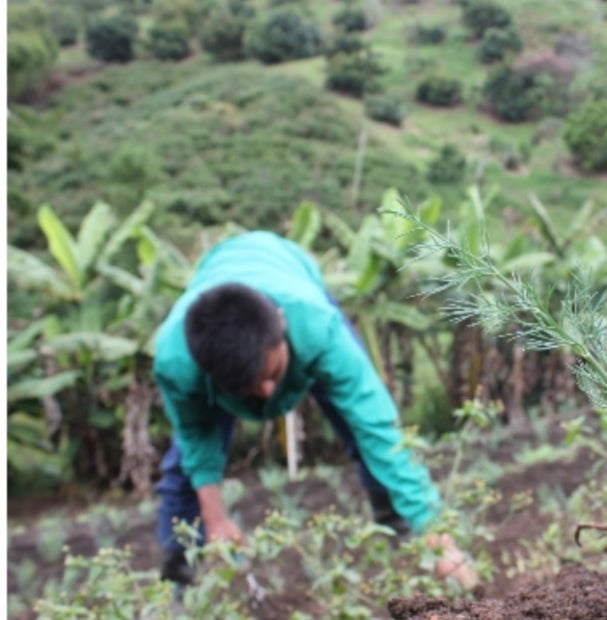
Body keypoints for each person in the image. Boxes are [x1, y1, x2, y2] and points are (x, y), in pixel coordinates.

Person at [153, 231, 476, 590]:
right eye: (252, 388)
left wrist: (436, 534)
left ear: (282, 325)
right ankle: (180, 573)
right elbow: (198, 437)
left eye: (274, 374)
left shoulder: (318, 328)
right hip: (215, 321)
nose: (267, 392)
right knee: (185, 463)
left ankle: (398, 524)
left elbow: (377, 427)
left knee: (359, 429)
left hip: (288, 270)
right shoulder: (177, 361)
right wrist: (214, 521)